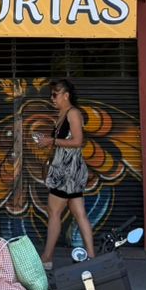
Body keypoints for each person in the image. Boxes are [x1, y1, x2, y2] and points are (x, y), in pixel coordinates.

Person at [34, 79, 97, 268]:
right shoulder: (62, 114)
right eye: (51, 94)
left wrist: (51, 141)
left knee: (54, 212)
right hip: (67, 170)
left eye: (55, 94)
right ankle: (92, 258)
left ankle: (47, 258)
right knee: (79, 213)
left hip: (66, 172)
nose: (52, 98)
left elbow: (78, 141)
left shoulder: (73, 113)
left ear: (66, 95)